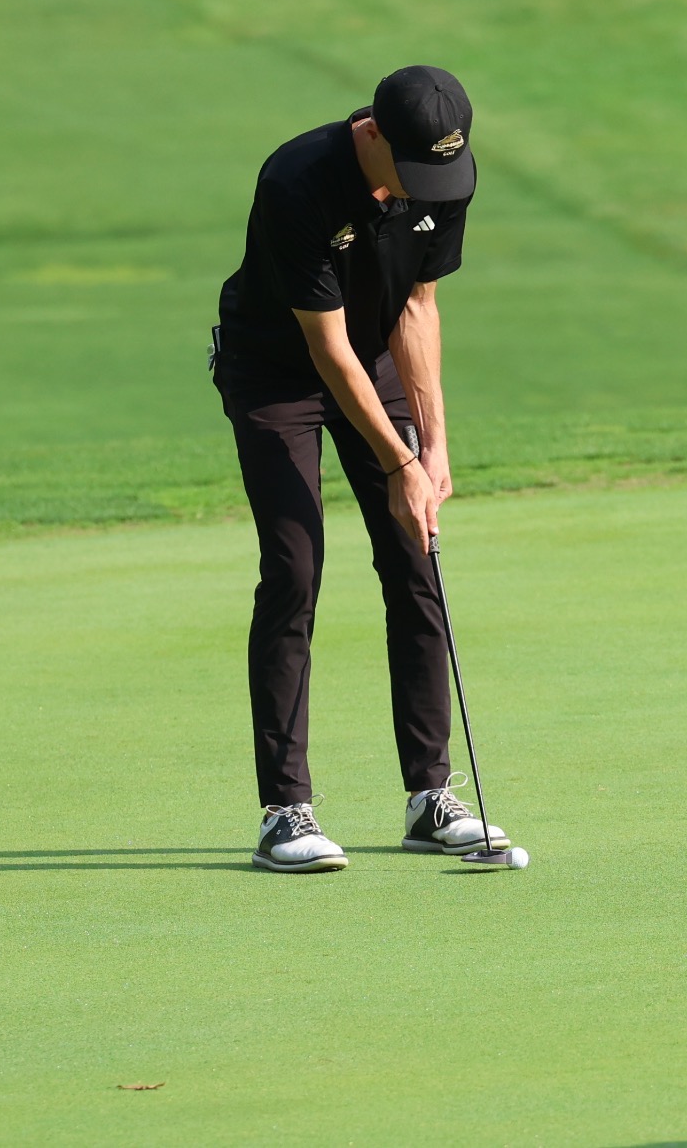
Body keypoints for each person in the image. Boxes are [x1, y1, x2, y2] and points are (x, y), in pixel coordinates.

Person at [210, 65, 510, 873]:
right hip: (276, 373)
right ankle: (285, 811)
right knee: (294, 566)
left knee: (416, 555)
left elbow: (417, 307)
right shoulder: (297, 180)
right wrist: (399, 459)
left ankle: (430, 796)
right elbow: (327, 350)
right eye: (409, 172)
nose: (422, 190)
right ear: (372, 134)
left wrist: (433, 448)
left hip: (371, 356)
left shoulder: (442, 174)